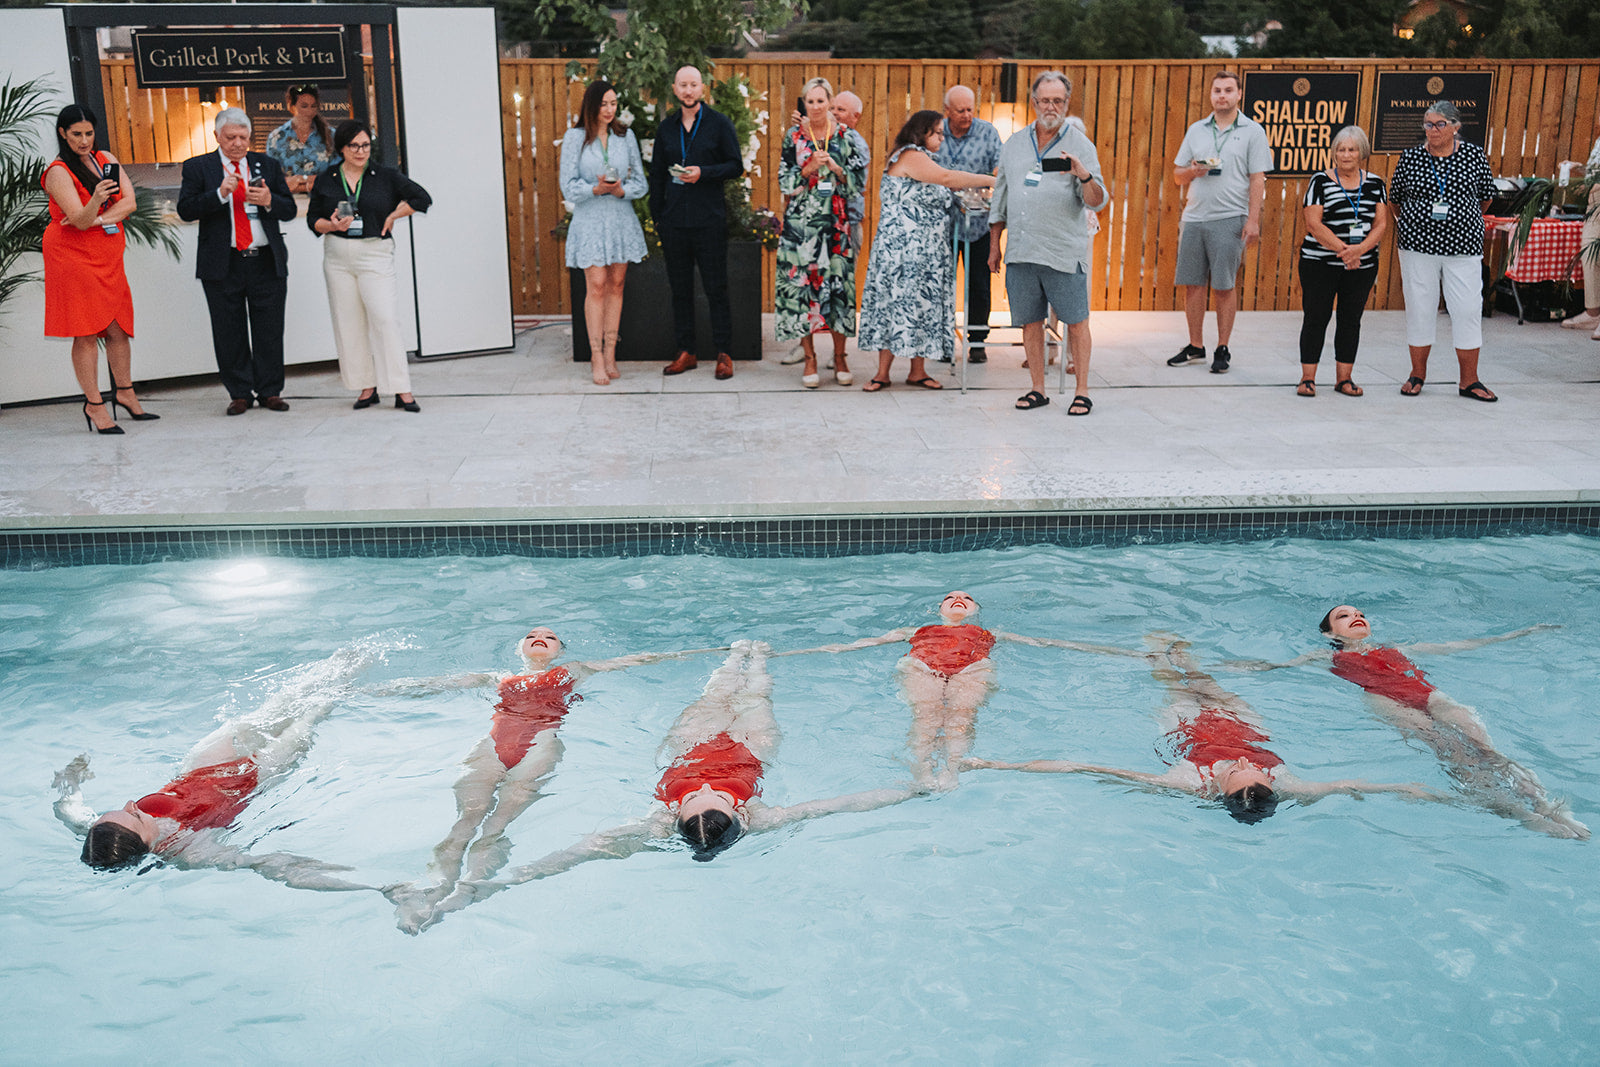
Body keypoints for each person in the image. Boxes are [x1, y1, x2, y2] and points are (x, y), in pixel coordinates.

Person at [396, 641, 918, 934]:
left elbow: (574, 854)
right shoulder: (759, 816)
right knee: (751, 696)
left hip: (687, 747)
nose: (705, 792)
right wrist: (913, 789)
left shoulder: (661, 820)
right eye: (710, 799)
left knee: (711, 700)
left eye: (699, 800)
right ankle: (751, 657)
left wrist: (474, 894)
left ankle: (742, 657)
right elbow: (841, 804)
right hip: (750, 747)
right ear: (736, 816)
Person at [379, 626, 726, 925]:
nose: (540, 638)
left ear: (560, 650)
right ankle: (433, 888)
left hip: (539, 747)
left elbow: (642, 659)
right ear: (520, 648)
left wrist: (711, 651)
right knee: (464, 823)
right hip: (490, 748)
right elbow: (436, 684)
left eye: (550, 637)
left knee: (497, 824)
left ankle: (468, 890)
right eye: (532, 635)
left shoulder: (574, 670)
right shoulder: (499, 677)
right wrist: (374, 691)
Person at [963, 637, 1440, 824]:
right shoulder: (1287, 784)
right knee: (1209, 684)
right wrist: (1412, 789)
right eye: (1256, 771)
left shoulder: (1187, 782)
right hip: (1246, 726)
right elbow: (1351, 785)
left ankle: (1160, 659)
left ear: (1219, 789)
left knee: (1175, 688)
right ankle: (1187, 658)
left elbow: (1082, 767)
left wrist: (996, 763)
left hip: (1186, 730)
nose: (1246, 764)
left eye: (1237, 771)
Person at [1226, 606, 1587, 839]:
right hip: (1385, 700)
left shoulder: (1397, 648)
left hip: (1429, 696)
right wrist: (1235, 666)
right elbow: (1276, 667)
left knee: (1488, 751)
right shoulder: (1325, 655)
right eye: (1344, 616)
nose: (1356, 616)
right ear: (1330, 633)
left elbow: (1462, 645)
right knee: (1452, 755)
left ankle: (1548, 807)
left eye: (1360, 613)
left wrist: (1521, 633)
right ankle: (1521, 815)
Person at [55, 642, 386, 889]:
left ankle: (354, 656)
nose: (131, 804)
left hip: (201, 768)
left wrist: (70, 777)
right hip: (253, 778)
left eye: (124, 809)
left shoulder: (103, 832)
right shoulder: (190, 852)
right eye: (136, 815)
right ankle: (369, 687)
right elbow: (269, 866)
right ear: (146, 843)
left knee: (279, 706)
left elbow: (68, 809)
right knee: (308, 717)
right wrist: (378, 886)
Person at [777, 591, 1133, 790]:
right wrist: (787, 654)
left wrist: (1124, 653)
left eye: (966, 597)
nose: (958, 599)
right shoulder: (915, 630)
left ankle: (952, 770)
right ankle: (923, 773)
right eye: (951, 597)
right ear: (940, 609)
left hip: (971, 668)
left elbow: (1047, 642)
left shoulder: (989, 633)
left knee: (961, 717)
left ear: (975, 610)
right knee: (927, 717)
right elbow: (855, 645)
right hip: (923, 667)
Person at [988, 71, 1110, 414]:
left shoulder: (1081, 144)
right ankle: (1037, 389)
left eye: (1058, 101)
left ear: (1067, 104)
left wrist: (1083, 174)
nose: (1051, 107)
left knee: (1076, 321)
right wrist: (995, 244)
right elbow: (1001, 196)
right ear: (1034, 103)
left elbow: (1098, 199)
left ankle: (1082, 391)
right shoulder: (1014, 144)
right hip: (1022, 249)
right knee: (1030, 321)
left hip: (1062, 250)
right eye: (1045, 100)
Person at [856, 111, 995, 392]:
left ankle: (917, 371)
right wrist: (993, 180)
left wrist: (982, 202)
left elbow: (950, 194)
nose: (943, 138)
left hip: (928, 252)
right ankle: (882, 373)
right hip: (903, 250)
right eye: (938, 133)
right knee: (896, 305)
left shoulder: (927, 160)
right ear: (922, 132)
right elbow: (947, 178)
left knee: (921, 307)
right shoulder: (910, 155)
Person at [41, 104, 153, 434]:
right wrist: (95, 202)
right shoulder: (58, 171)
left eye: (89, 133)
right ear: (63, 134)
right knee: (86, 330)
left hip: (106, 254)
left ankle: (125, 392)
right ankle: (94, 404)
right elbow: (78, 220)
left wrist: (99, 218)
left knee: (118, 327)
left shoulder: (105, 158)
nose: (84, 140)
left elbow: (130, 203)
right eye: (76, 134)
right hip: (72, 256)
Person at [177, 108, 297, 416]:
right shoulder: (198, 167)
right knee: (228, 331)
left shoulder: (267, 165)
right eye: (231, 137)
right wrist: (219, 194)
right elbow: (185, 210)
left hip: (265, 261)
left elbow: (289, 210)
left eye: (243, 137)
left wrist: (269, 201)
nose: (238, 143)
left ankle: (270, 391)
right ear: (217, 136)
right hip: (223, 263)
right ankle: (240, 393)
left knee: (270, 330)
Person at [307, 120, 432, 412]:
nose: (361, 151)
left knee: (385, 319)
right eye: (354, 146)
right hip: (338, 257)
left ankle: (401, 389)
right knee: (349, 322)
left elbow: (422, 198)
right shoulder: (327, 178)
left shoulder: (385, 176)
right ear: (342, 148)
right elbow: (314, 219)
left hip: (374, 253)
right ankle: (366, 386)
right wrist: (332, 225)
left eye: (365, 145)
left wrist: (394, 215)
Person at [1388, 101, 1499, 401]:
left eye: (1440, 124)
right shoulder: (1411, 157)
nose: (1433, 130)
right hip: (1418, 247)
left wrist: (1461, 219)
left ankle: (1469, 381)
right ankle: (1417, 374)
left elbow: (1485, 198)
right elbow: (1395, 200)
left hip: (1463, 248)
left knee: (1467, 309)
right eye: (1428, 124)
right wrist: (1414, 224)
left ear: (1455, 127)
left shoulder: (1474, 155)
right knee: (1420, 309)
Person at [1168, 70, 1272, 376]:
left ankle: (1222, 347)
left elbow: (1257, 179)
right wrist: (1192, 172)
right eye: (1217, 90)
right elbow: (1177, 176)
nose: (1222, 95)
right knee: (1193, 285)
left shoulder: (1253, 131)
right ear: (1211, 95)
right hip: (1194, 217)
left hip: (1230, 217)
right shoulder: (1196, 130)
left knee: (1224, 286)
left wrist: (1253, 220)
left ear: (1239, 94)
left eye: (1228, 90)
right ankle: (1195, 346)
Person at [648, 66, 744, 381]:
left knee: (717, 288)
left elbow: (735, 166)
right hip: (674, 222)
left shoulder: (719, 123)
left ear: (702, 88)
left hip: (709, 220)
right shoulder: (666, 128)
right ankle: (686, 351)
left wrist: (704, 173)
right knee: (680, 289)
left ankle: (724, 353)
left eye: (693, 85)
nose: (688, 91)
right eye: (683, 85)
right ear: (674, 89)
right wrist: (658, 217)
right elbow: (657, 175)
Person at [776, 77, 868, 389]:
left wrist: (837, 169)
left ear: (829, 102)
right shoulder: (793, 136)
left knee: (839, 290)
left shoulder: (845, 136)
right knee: (802, 289)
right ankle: (810, 358)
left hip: (836, 224)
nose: (815, 107)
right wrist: (808, 168)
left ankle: (840, 357)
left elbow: (859, 183)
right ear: (804, 104)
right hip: (800, 226)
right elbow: (784, 181)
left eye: (820, 101)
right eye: (810, 101)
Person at [560, 80, 648, 386]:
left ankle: (611, 353)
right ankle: (595, 356)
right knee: (596, 285)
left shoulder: (625, 136)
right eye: (603, 104)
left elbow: (641, 182)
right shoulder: (575, 138)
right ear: (591, 105)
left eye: (613, 104)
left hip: (620, 218)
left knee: (617, 284)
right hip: (590, 220)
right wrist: (594, 189)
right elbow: (567, 185)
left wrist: (622, 190)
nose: (609, 110)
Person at [1296, 126, 1389, 398]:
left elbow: (1381, 224)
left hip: (1362, 266)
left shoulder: (1376, 184)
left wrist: (1360, 250)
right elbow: (1313, 223)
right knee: (1316, 317)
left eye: (1352, 149)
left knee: (1351, 319)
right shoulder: (1320, 181)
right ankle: (1308, 378)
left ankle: (1344, 379)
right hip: (1320, 263)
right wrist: (1345, 251)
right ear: (1334, 153)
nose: (1346, 155)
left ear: (1362, 152)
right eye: (1341, 149)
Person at [934, 85, 1002, 365]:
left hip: (978, 223)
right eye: (960, 110)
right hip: (942, 224)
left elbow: (1000, 167)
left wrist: (993, 178)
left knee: (979, 285)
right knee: (941, 284)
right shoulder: (936, 132)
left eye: (970, 109)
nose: (966, 115)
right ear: (947, 111)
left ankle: (977, 341)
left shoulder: (987, 132)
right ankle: (942, 340)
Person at [1556, 134, 1600, 338]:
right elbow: (1594, 172)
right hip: (1595, 201)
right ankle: (1593, 314)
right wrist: (1578, 167)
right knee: (1590, 255)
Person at [265, 84, 335, 195]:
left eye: (313, 106)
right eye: (304, 106)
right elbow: (273, 178)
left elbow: (335, 176)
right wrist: (312, 181)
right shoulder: (277, 137)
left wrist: (299, 180)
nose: (309, 111)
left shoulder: (330, 136)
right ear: (291, 107)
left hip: (323, 198)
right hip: (287, 200)